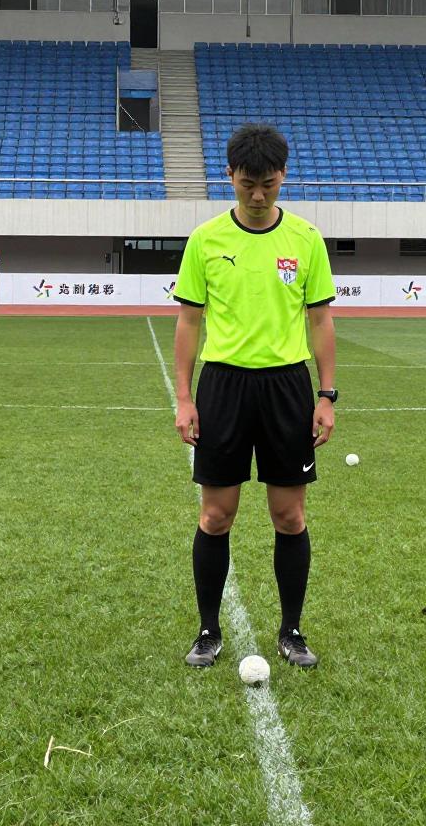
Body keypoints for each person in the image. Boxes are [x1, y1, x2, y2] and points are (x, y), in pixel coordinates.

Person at [173, 124, 338, 669]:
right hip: (223, 386)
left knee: (289, 516)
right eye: (248, 184)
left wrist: (326, 395)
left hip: (287, 387)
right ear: (230, 176)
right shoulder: (206, 240)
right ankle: (207, 630)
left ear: (283, 176)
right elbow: (189, 321)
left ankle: (292, 631)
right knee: (216, 516)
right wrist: (184, 397)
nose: (259, 195)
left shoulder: (306, 239)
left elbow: (320, 320)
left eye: (269, 184)